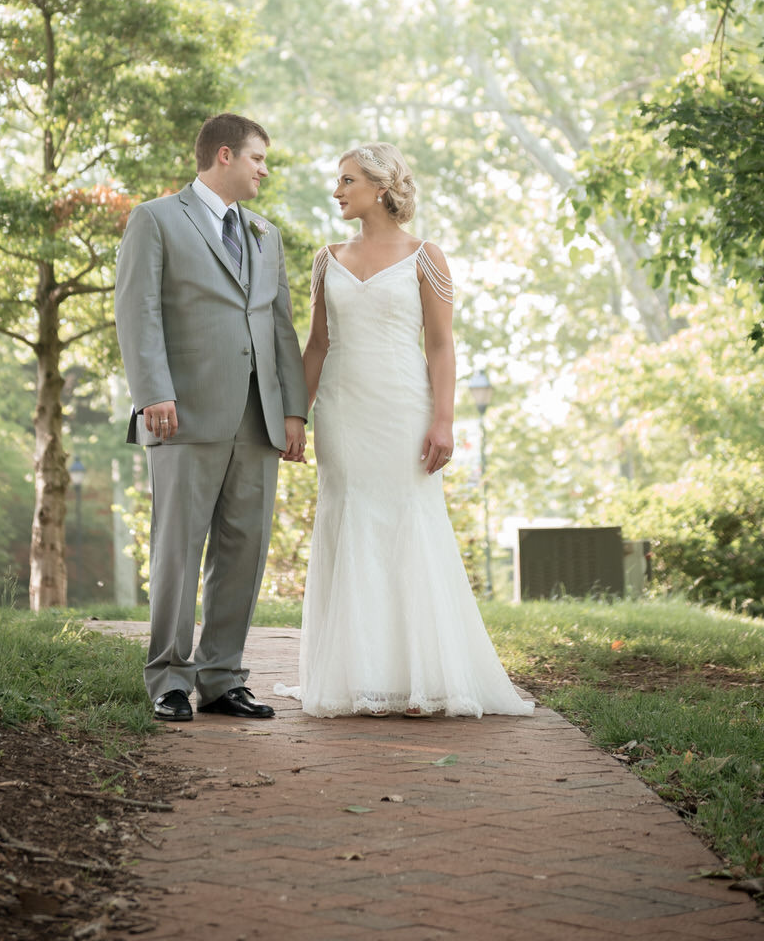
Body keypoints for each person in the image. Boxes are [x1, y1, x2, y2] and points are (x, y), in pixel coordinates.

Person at [295, 143, 533, 719]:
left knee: (407, 526)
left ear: (380, 186)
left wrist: (444, 419)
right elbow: (318, 344)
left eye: (346, 179)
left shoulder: (427, 256)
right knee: (348, 522)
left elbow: (441, 344)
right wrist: (296, 416)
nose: (337, 191)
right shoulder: (326, 259)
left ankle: (420, 676)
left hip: (404, 409)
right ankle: (360, 679)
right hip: (343, 412)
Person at [115, 113, 308, 723]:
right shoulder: (156, 219)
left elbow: (279, 328)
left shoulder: (264, 234)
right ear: (224, 155)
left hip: (257, 421)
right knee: (177, 547)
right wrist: (153, 392)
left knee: (243, 550)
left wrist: (294, 411)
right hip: (182, 414)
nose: (264, 170)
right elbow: (137, 309)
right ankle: (169, 678)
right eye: (258, 158)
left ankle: (223, 677)